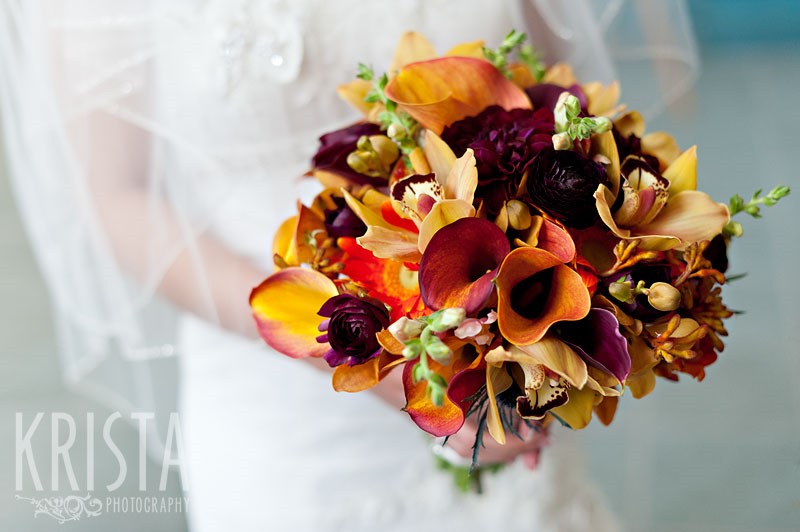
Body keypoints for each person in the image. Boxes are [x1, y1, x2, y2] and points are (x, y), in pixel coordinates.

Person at [1, 1, 697, 530]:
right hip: (283, 411)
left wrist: (562, 309)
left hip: (498, 370)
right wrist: (364, 358)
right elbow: (117, 200)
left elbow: (557, 110)